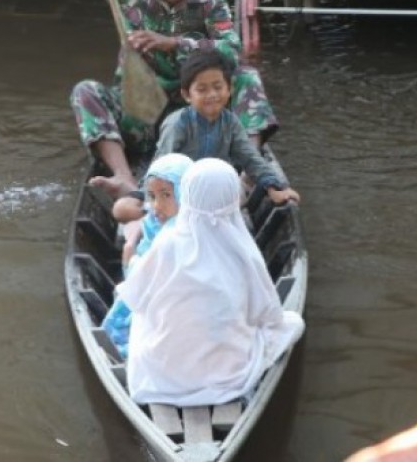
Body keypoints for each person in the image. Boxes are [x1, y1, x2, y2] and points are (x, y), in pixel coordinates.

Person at [68, 0, 279, 200]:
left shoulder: (210, 5)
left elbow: (231, 51)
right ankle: (124, 177)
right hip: (140, 112)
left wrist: (174, 43)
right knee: (85, 91)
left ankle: (249, 173)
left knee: (247, 77)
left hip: (194, 119)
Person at [117, 158, 305, 406]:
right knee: (293, 323)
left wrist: (131, 260)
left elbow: (134, 297)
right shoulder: (243, 249)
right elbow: (268, 312)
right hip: (227, 375)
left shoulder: (167, 241)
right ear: (232, 197)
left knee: (142, 317)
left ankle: (178, 370)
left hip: (163, 376)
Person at [111, 49, 300, 224]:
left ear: (230, 89)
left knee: (242, 187)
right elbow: (161, 165)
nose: (212, 95)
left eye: (218, 87)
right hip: (180, 191)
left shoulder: (231, 122)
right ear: (187, 95)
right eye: (202, 90)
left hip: (214, 191)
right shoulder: (178, 123)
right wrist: (148, 197)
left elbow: (250, 158)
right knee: (122, 209)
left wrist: (274, 186)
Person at [100, 153, 193, 360]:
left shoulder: (190, 229)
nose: (157, 204)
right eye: (152, 196)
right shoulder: (153, 221)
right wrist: (132, 256)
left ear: (185, 193)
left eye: (166, 195)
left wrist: (130, 259)